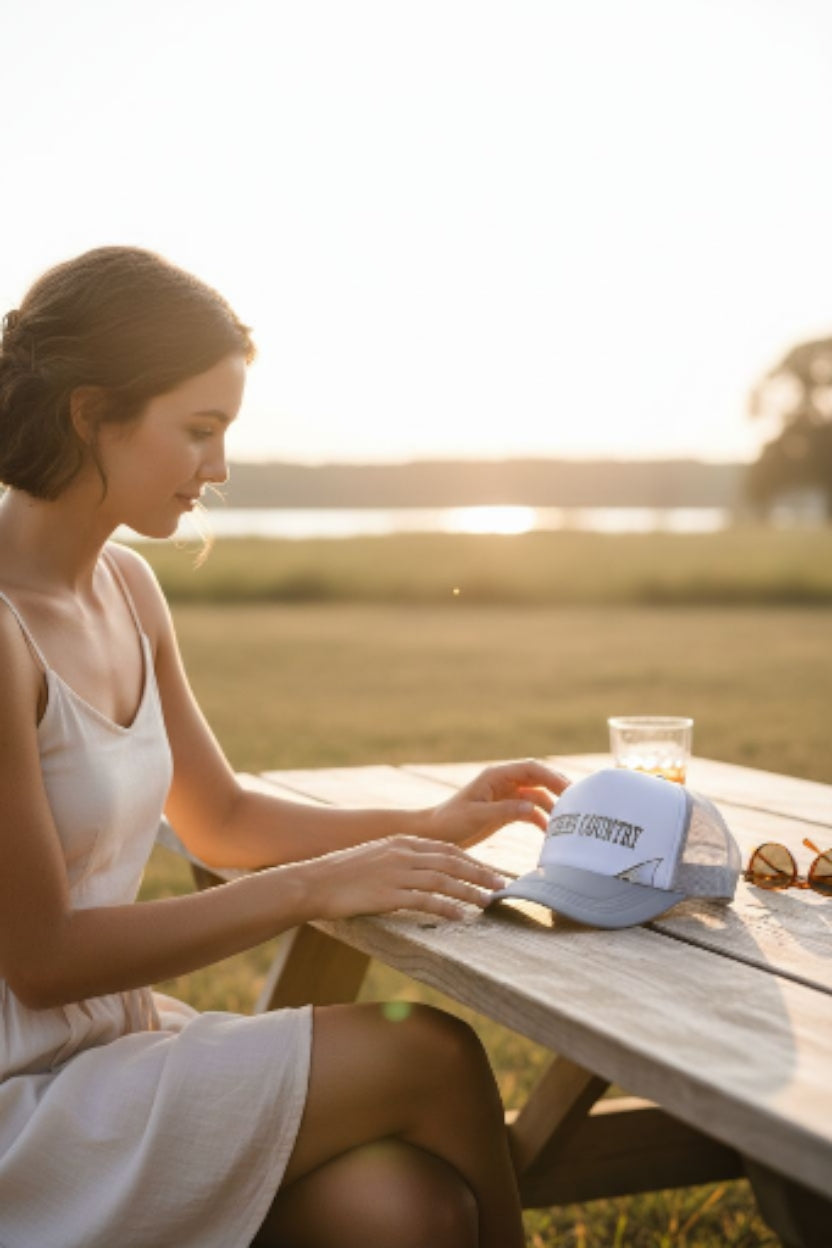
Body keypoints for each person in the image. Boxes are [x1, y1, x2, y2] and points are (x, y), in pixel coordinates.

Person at [0, 246, 568, 1248]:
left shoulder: (128, 588)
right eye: (200, 430)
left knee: (406, 1210)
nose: (217, 469)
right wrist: (314, 887)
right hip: (23, 1099)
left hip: (106, 1051)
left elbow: (219, 817)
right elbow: (40, 961)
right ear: (92, 413)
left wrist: (425, 823)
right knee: (427, 1053)